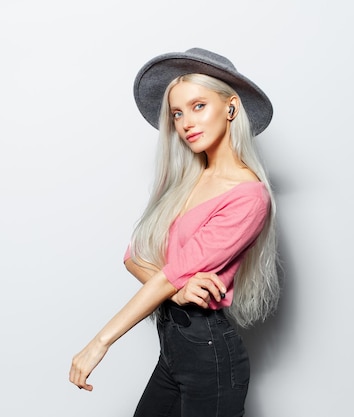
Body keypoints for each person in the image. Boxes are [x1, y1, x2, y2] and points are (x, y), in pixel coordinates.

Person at [69, 47, 280, 417]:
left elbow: (167, 273)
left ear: (230, 108)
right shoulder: (188, 180)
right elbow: (134, 256)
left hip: (209, 356)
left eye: (198, 106)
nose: (185, 122)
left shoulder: (249, 197)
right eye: (177, 113)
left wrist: (100, 342)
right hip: (174, 351)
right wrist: (178, 288)